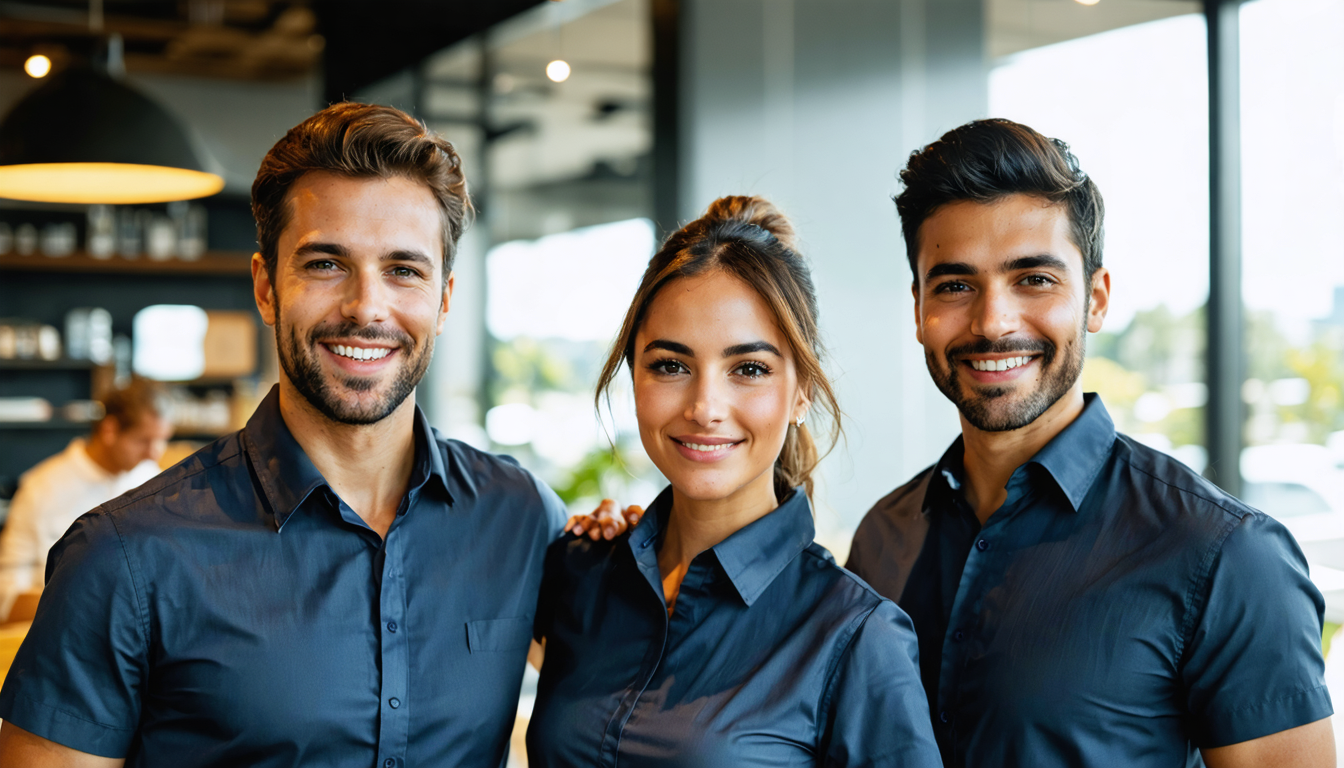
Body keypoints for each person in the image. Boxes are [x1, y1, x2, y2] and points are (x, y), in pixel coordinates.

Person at [0, 103, 625, 767]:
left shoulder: (520, 515)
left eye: (404, 270)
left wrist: (650, 545)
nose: (366, 306)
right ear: (267, 288)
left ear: (443, 301)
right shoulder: (124, 557)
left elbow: (648, 688)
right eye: (327, 264)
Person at [845, 118, 1334, 767]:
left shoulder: (1225, 555)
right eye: (956, 285)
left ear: (1096, 300)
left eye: (1035, 280)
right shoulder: (882, 537)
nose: (993, 321)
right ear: (918, 309)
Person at [527, 197, 942, 767]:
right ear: (634, 377)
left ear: (803, 392)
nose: (705, 407)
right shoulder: (578, 573)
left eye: (749, 369)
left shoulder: (854, 636)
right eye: (671, 365)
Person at [0, 380, 171, 621]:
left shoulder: (154, 482)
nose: (154, 453)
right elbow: (6, 594)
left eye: (162, 440)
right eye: (143, 440)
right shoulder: (41, 488)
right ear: (109, 430)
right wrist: (81, 607)